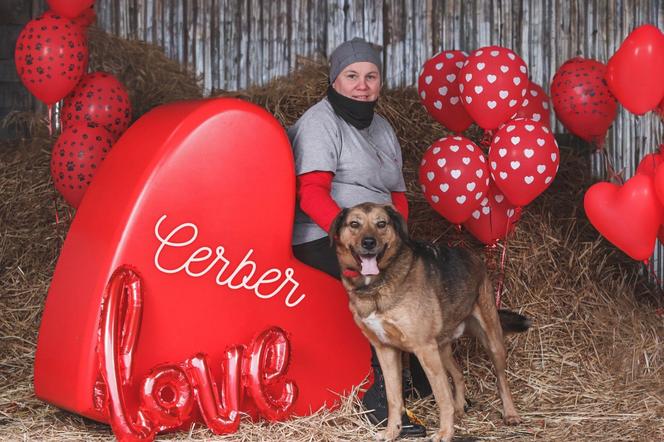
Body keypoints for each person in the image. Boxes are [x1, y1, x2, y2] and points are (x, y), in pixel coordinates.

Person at [288, 37, 428, 438]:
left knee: (421, 279)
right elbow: (312, 192)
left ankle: (420, 380)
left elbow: (397, 196)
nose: (362, 85)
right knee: (377, 288)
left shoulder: (382, 128)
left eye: (370, 76)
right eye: (352, 76)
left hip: (378, 238)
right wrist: (347, 238)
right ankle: (380, 402)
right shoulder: (321, 122)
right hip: (325, 234)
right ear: (335, 81)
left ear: (380, 83)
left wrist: (399, 243)